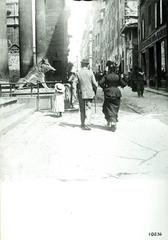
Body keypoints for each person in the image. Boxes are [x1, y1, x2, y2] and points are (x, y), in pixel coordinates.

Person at [99, 62, 122, 131]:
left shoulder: (106, 76)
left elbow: (100, 83)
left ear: (109, 69)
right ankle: (113, 122)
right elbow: (123, 83)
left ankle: (110, 121)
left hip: (108, 92)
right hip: (117, 93)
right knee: (115, 108)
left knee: (107, 107)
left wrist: (104, 88)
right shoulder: (118, 76)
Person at [76, 59, 98, 130]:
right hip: (89, 93)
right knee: (88, 108)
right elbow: (95, 84)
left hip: (81, 93)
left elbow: (74, 83)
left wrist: (75, 93)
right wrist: (94, 91)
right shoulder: (90, 73)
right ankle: (87, 123)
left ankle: (82, 124)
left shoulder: (78, 73)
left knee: (82, 109)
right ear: (87, 65)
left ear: (81, 65)